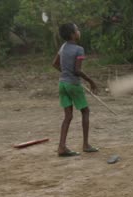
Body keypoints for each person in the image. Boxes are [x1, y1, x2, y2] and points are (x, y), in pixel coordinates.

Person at [52, 23, 99, 157]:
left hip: (62, 84)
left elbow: (54, 64)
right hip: (73, 85)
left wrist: (65, 73)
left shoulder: (63, 47)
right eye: (77, 29)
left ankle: (61, 147)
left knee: (68, 116)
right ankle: (86, 145)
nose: (79, 31)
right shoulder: (79, 49)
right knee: (85, 111)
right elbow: (77, 70)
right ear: (73, 34)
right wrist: (91, 81)